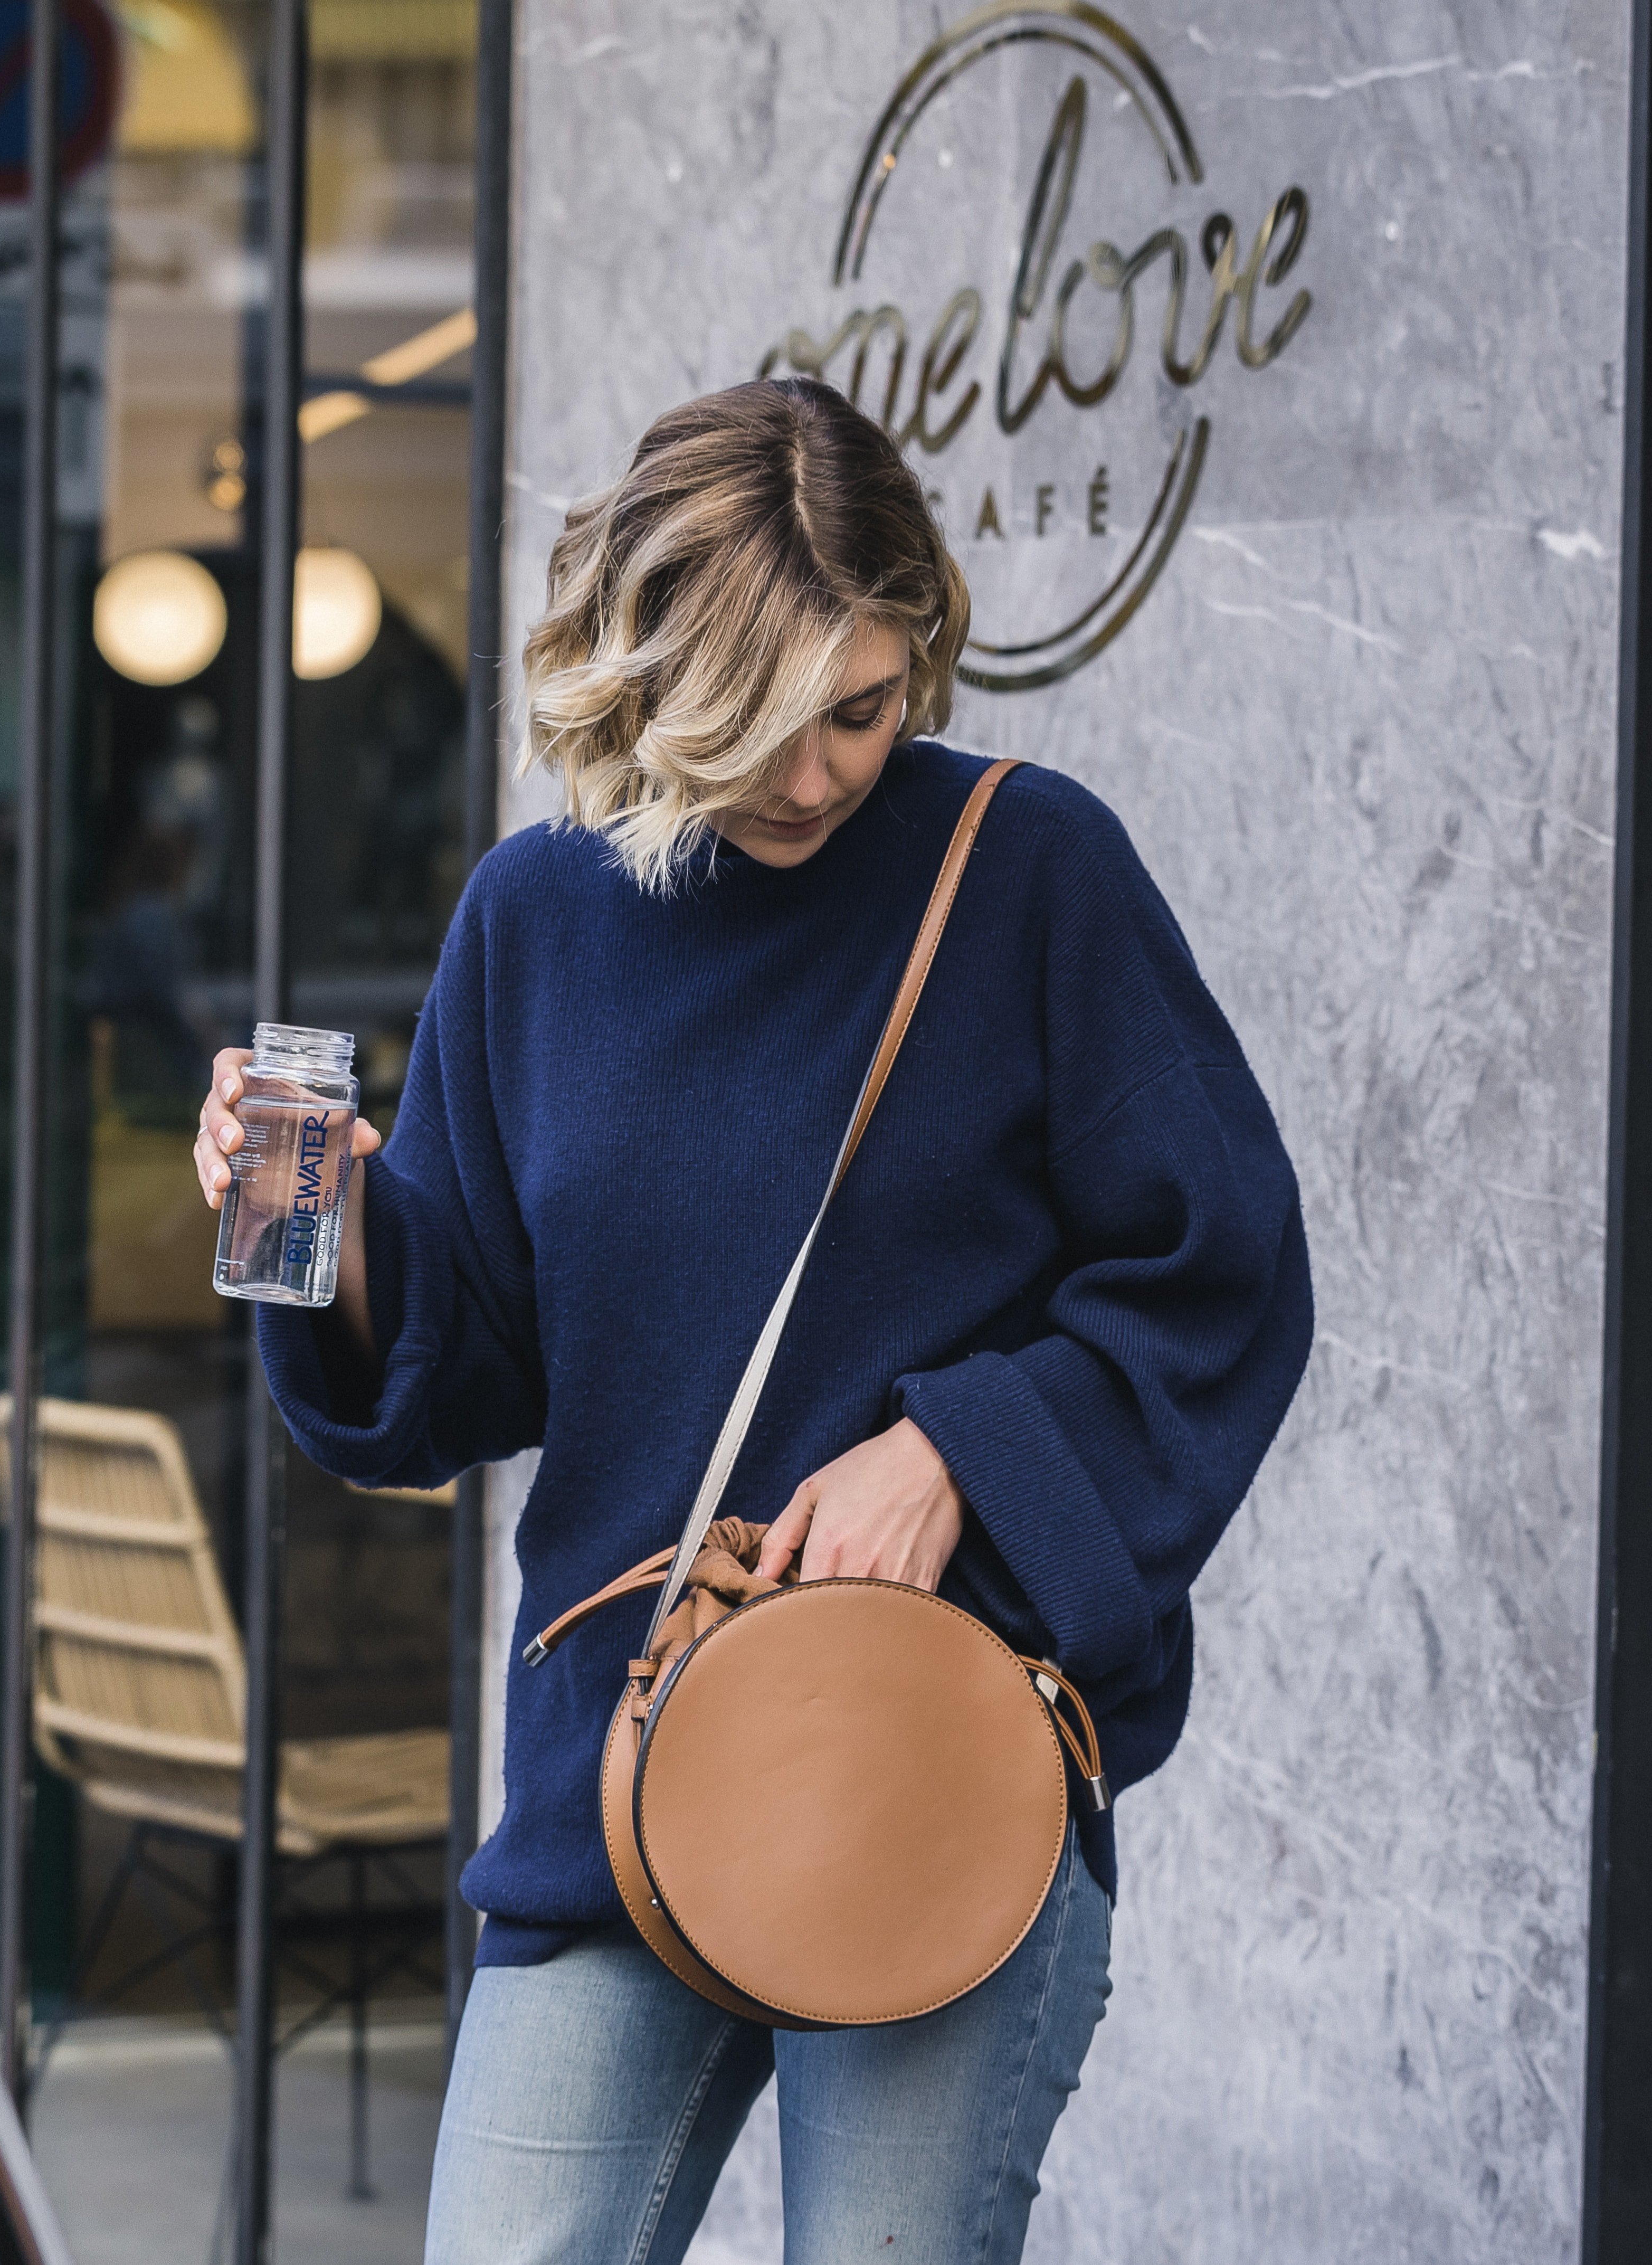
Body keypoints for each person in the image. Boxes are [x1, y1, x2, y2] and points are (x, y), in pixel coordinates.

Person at [192, 376, 1312, 2264]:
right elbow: (467, 1362)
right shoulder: (537, 918)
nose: (812, 778)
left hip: (928, 1763)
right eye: (752, 727)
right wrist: (328, 1223)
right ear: (643, 686)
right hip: (624, 1765)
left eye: (859, 709)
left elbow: (1219, 1268)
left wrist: (956, 1449)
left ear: (920, 654)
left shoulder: (1026, 874)